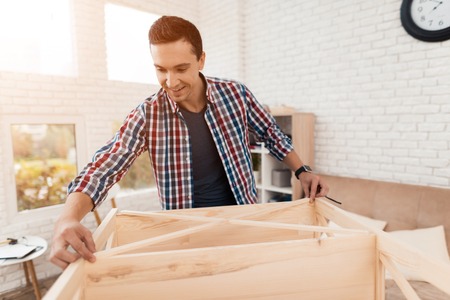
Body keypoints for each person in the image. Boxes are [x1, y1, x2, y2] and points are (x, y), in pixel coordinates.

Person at [50, 15, 329, 269]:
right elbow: (102, 169)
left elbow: (271, 132)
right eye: (161, 69)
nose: (170, 81)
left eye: (181, 68)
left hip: (242, 219)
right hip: (185, 231)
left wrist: (302, 171)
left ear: (201, 60)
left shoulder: (236, 95)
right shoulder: (148, 115)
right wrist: (67, 218)